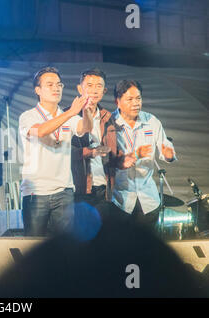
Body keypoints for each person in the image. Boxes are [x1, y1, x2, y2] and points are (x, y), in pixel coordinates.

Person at [18, 66, 93, 237]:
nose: (56, 88)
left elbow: (85, 127)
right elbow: (41, 131)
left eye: (59, 85)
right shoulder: (28, 116)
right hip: (35, 192)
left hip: (64, 190)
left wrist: (86, 111)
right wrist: (70, 113)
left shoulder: (69, 116)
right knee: (34, 246)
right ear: (38, 90)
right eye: (50, 85)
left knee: (65, 247)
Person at [111, 79, 176, 232]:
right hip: (120, 200)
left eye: (138, 98)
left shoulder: (151, 121)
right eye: (130, 99)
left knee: (146, 253)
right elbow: (106, 159)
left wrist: (169, 154)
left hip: (148, 201)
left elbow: (166, 148)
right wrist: (133, 155)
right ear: (118, 102)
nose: (136, 103)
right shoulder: (110, 123)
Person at [69, 68, 117, 222]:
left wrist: (129, 157)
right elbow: (60, 153)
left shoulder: (109, 118)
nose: (94, 90)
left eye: (99, 86)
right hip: (78, 189)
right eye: (89, 85)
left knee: (103, 241)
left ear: (104, 90)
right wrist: (89, 152)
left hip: (103, 189)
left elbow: (115, 152)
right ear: (79, 88)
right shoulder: (67, 116)